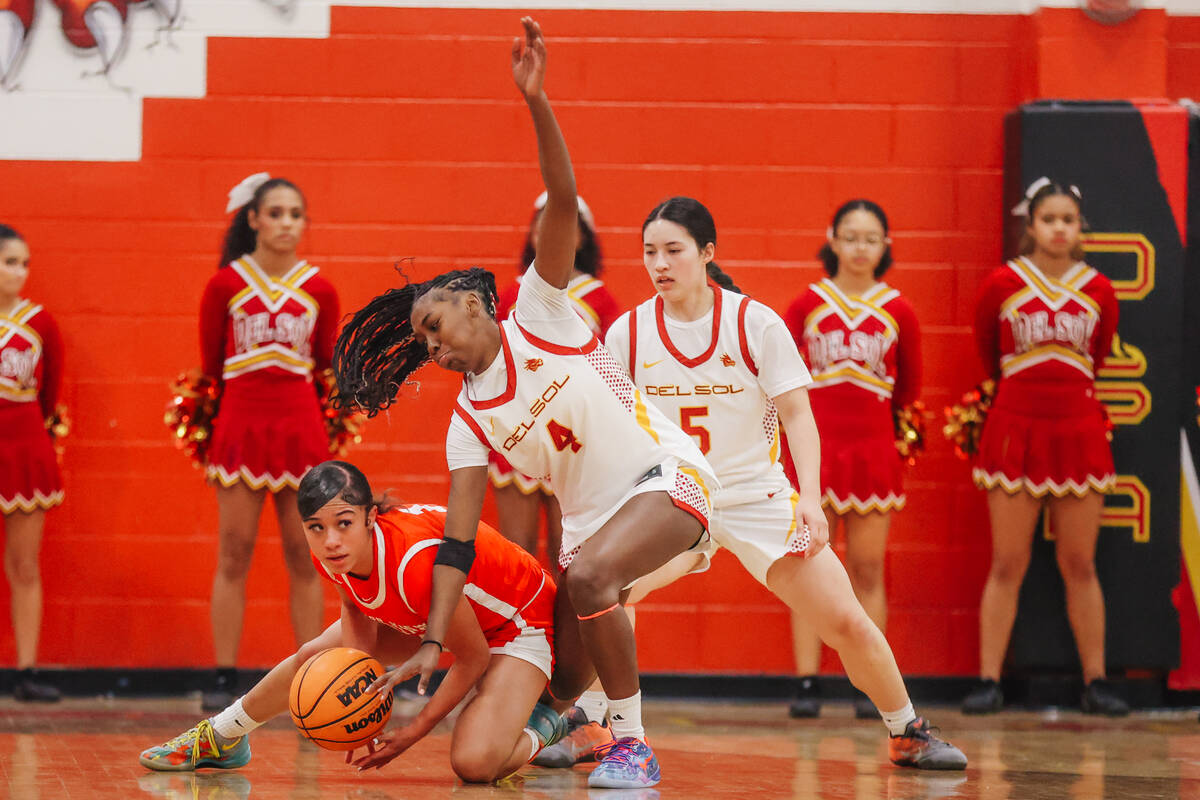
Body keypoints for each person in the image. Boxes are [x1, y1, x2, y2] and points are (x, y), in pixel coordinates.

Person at [331, 18, 718, 790]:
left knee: (588, 581)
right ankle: (565, 730)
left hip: (666, 479)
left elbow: (566, 195)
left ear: (475, 304)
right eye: (422, 347)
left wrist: (536, 100)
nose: (432, 349)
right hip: (588, 533)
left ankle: (632, 745)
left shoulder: (539, 308)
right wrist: (434, 645)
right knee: (555, 690)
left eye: (434, 326)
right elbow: (457, 544)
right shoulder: (468, 420)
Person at [539, 196, 965, 771]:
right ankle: (597, 725)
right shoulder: (627, 334)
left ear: (707, 253)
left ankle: (905, 729)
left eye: (673, 250)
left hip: (752, 495)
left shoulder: (755, 322)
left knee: (844, 618)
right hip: (670, 495)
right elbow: (606, 426)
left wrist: (810, 500)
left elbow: (797, 416)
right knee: (607, 586)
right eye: (649, 253)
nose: (659, 264)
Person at [139, 461, 563, 782]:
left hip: (519, 623)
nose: (331, 540)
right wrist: (357, 689)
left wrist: (412, 732)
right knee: (314, 656)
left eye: (343, 524)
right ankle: (222, 735)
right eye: (316, 528)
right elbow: (358, 608)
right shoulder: (331, 550)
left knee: (475, 763)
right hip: (441, 618)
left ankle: (556, 719)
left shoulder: (415, 563)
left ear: (370, 517)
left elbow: (471, 657)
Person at [962, 178, 1127, 716]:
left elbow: (1097, 358)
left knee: (1081, 563)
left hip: (1077, 430)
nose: (1059, 228)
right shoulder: (1002, 284)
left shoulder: (1100, 288)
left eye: (1069, 220)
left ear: (1081, 228)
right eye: (1049, 218)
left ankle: (1096, 681)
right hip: (1015, 429)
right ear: (1030, 225)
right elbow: (988, 353)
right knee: (1008, 562)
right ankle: (989, 680)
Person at [198, 175, 341, 710]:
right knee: (233, 550)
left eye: (295, 214)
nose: (287, 223)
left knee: (305, 556)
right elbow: (211, 365)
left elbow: (326, 366)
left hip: (300, 427)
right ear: (253, 220)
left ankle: (312, 670)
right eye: (276, 213)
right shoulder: (224, 285)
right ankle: (223, 674)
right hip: (240, 424)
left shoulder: (320, 288)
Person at [781, 199, 922, 719]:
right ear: (832, 240)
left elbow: (908, 389)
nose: (860, 247)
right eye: (851, 236)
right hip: (816, 456)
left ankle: (872, 684)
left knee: (866, 568)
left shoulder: (899, 309)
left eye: (871, 238)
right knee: (808, 567)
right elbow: (784, 383)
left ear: (885, 246)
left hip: (873, 455)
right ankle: (807, 681)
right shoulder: (806, 305)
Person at [489, 193, 620, 571]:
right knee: (519, 550)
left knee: (570, 552)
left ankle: (571, 632)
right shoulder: (512, 293)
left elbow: (615, 373)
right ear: (531, 234)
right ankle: (526, 631)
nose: (551, 232)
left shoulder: (601, 300)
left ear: (582, 237)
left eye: (563, 224)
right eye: (542, 222)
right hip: (519, 426)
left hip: (578, 433)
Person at [0, 224, 64, 702]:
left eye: (23, 263)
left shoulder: (41, 322)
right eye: (8, 262)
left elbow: (50, 393)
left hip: (24, 447)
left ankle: (25, 670)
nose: (18, 272)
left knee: (24, 564)